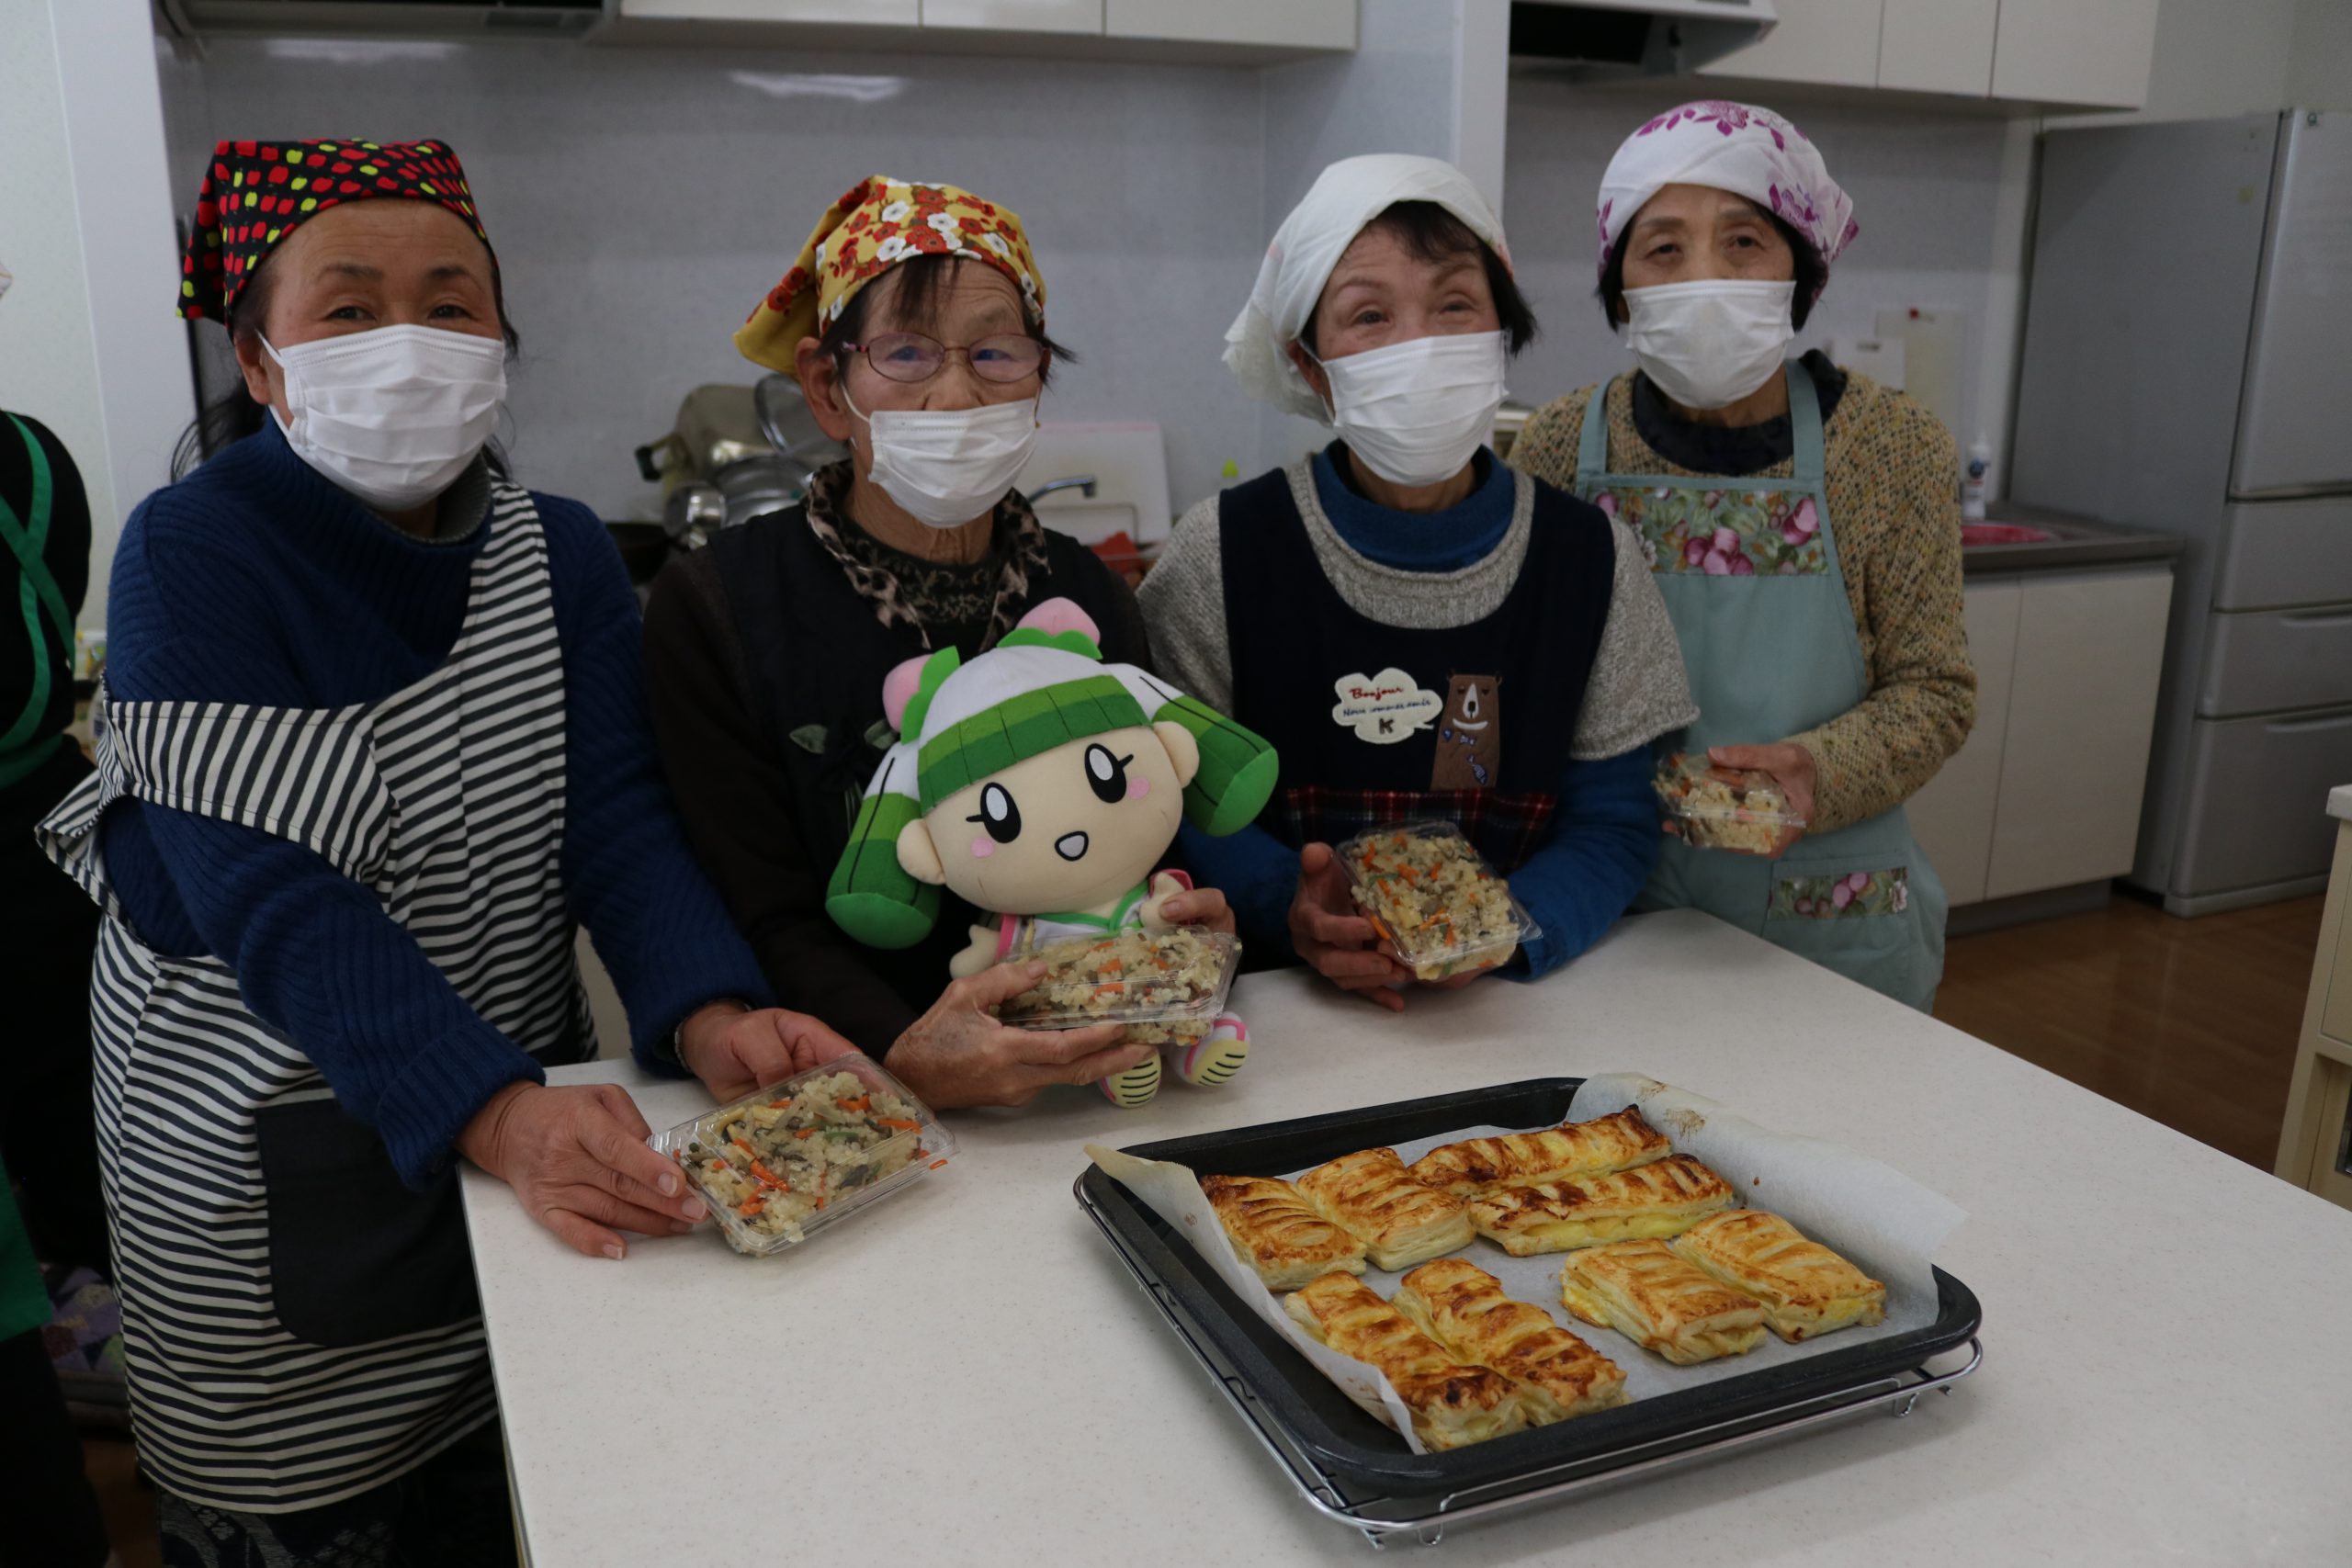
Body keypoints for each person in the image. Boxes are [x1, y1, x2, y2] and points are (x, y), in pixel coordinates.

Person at [35, 139, 856, 1562]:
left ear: (498, 343)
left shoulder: (559, 553)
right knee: (309, 1517)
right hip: (264, 1161)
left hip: (522, 1136)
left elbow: (618, 816)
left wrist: (709, 1008)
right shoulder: (193, 553)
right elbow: (276, 899)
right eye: (350, 307)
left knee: (525, 1482)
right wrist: (495, 1110)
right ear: (260, 359)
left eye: (450, 303)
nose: (406, 340)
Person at [644, 175, 1229, 1103]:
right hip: (855, 1092)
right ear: (827, 388)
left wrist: (1181, 929)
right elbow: (762, 909)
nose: (956, 394)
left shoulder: (1087, 594)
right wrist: (903, 1052)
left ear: (1038, 378)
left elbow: (1131, 840)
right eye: (906, 352)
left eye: (996, 352)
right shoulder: (720, 605)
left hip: (1093, 1073)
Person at [1139, 154, 1696, 1010]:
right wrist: (1290, 905)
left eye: (1455, 305)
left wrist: (1505, 926)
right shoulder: (1222, 554)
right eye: (1370, 315)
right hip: (1283, 1013)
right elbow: (1174, 799)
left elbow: (1614, 823)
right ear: (1310, 366)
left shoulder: (1590, 559)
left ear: (1502, 330)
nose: (1421, 345)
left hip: (1514, 1011)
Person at [1509, 102, 1974, 1009]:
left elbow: (1935, 690)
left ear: (1799, 273)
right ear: (1619, 290)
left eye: (1744, 242)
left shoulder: (1893, 447)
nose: (1705, 279)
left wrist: (1817, 770)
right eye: (1663, 248)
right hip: (1614, 897)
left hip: (1828, 915)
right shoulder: (1560, 444)